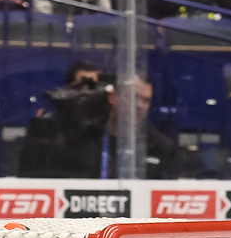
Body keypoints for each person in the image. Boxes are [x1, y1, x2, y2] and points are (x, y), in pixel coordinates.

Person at [17, 65, 178, 178]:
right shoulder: (79, 136)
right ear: (112, 96)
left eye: (146, 100)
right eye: (133, 97)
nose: (139, 106)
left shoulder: (160, 147)